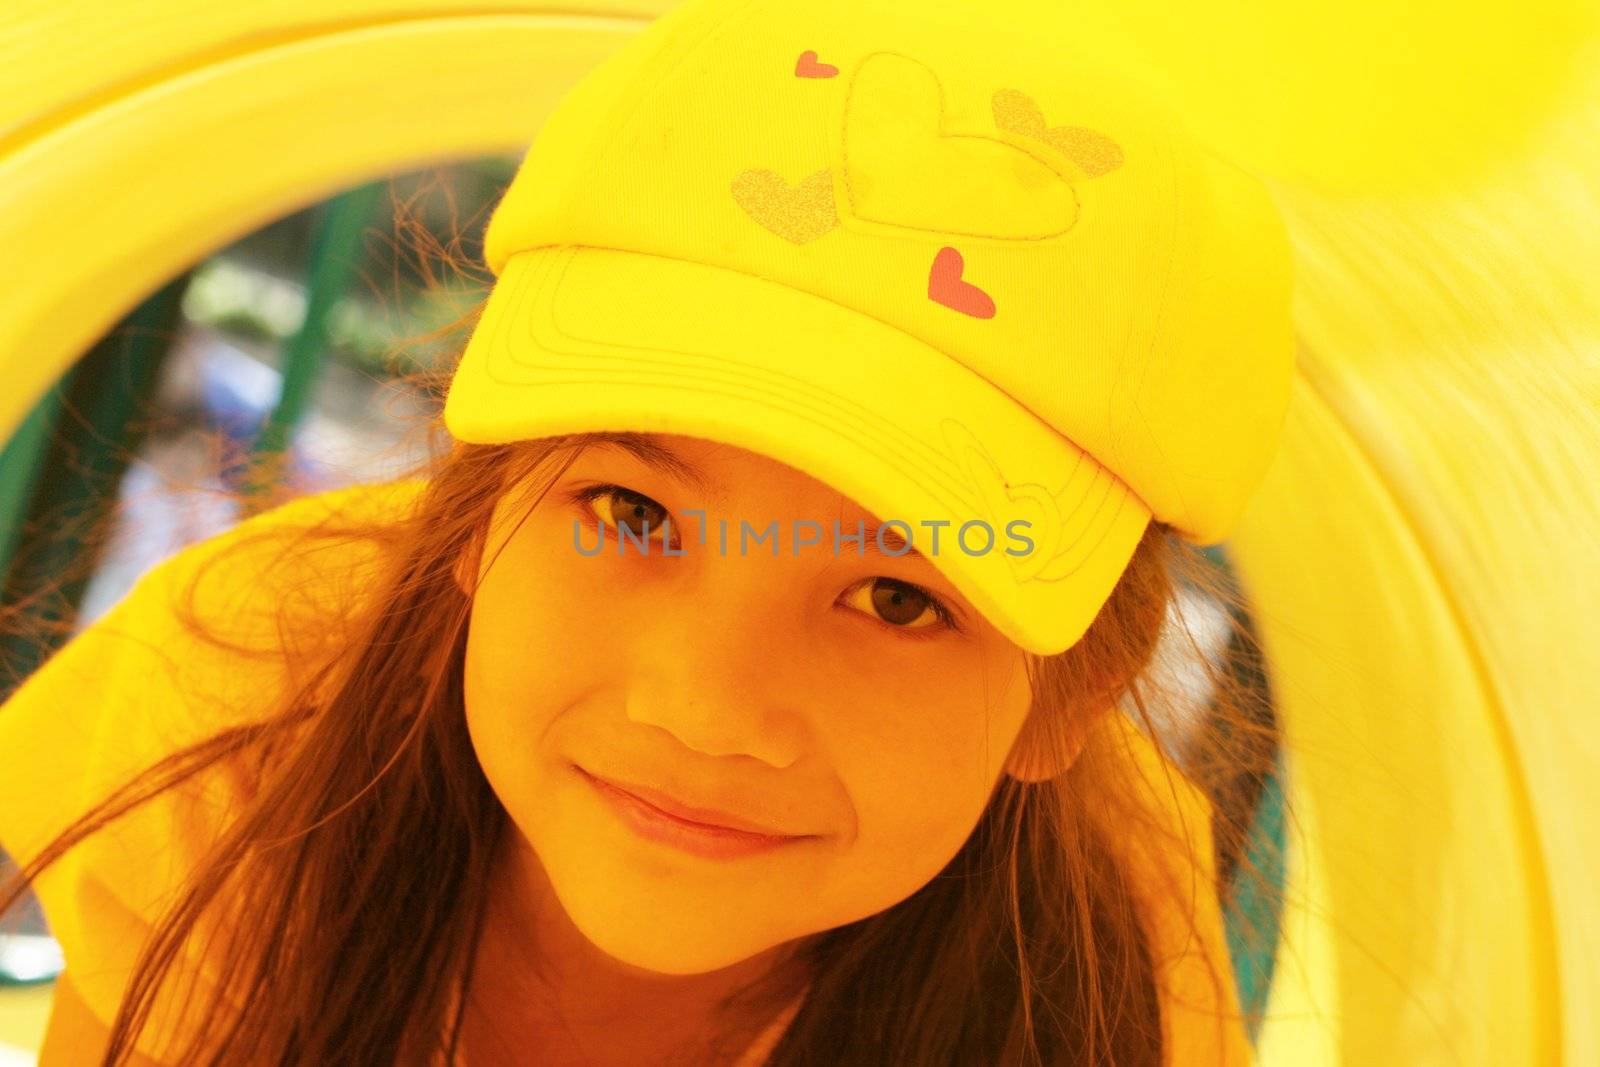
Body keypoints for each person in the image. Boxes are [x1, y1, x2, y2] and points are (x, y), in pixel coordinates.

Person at [0, 0, 1294, 1062]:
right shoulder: (249, 698)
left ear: (1076, 694)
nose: (706, 707)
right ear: (474, 503)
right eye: (633, 513)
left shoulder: (1102, 957)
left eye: (903, 596)